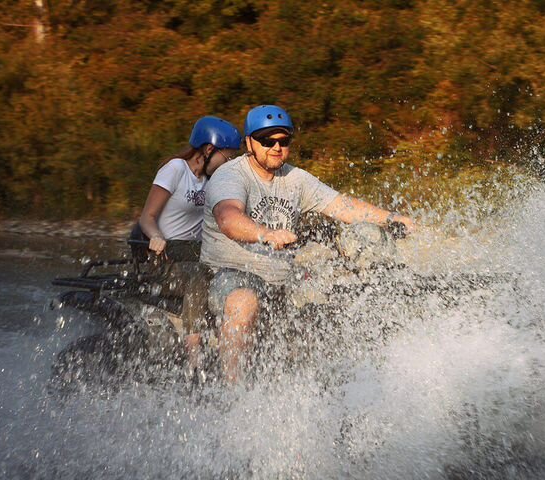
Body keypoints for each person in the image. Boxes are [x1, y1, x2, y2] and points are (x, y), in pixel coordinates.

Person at [199, 105, 415, 382]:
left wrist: (393, 218)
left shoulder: (296, 178)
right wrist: (266, 234)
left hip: (281, 282)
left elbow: (343, 206)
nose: (277, 147)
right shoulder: (231, 175)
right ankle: (233, 391)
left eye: (284, 141)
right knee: (244, 301)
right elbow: (228, 218)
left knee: (337, 302)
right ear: (250, 143)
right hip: (228, 276)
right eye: (267, 141)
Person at [136, 116, 241, 363]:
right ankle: (193, 352)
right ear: (208, 150)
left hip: (198, 252)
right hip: (167, 256)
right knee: (200, 274)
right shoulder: (175, 170)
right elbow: (147, 217)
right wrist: (156, 237)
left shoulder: (213, 181)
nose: (229, 164)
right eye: (226, 158)